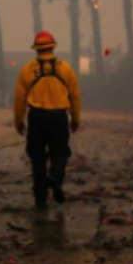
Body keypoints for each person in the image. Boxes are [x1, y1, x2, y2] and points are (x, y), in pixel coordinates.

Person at [14, 30, 81, 210]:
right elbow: (75, 96)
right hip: (59, 117)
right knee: (60, 153)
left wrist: (18, 121)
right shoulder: (65, 68)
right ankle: (56, 178)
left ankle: (40, 196)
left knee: (37, 157)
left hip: (36, 117)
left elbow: (20, 98)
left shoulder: (27, 69)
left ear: (36, 49)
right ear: (52, 47)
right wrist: (75, 118)